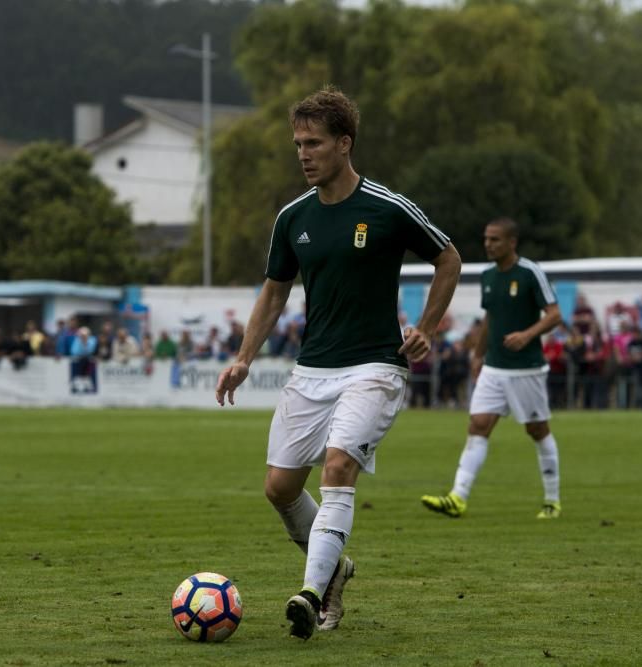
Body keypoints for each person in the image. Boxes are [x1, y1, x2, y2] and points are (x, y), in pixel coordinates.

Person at [214, 87, 461, 640]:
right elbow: (274, 292)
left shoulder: (388, 208)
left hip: (375, 366)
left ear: (344, 144)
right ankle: (337, 570)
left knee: (338, 469)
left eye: (314, 143)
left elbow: (449, 257)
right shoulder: (292, 218)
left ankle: (311, 593)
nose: (303, 153)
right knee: (278, 488)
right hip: (313, 369)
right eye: (298, 143)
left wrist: (425, 327)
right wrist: (243, 358)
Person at [421, 218, 563, 520]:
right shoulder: (487, 276)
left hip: (526, 369)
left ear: (512, 242)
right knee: (478, 425)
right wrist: (478, 354)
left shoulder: (529, 273)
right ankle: (457, 497)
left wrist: (527, 335)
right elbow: (490, 318)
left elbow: (554, 315)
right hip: (494, 369)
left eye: (495, 239)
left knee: (537, 430)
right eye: (486, 238)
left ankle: (552, 500)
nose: (488, 244)